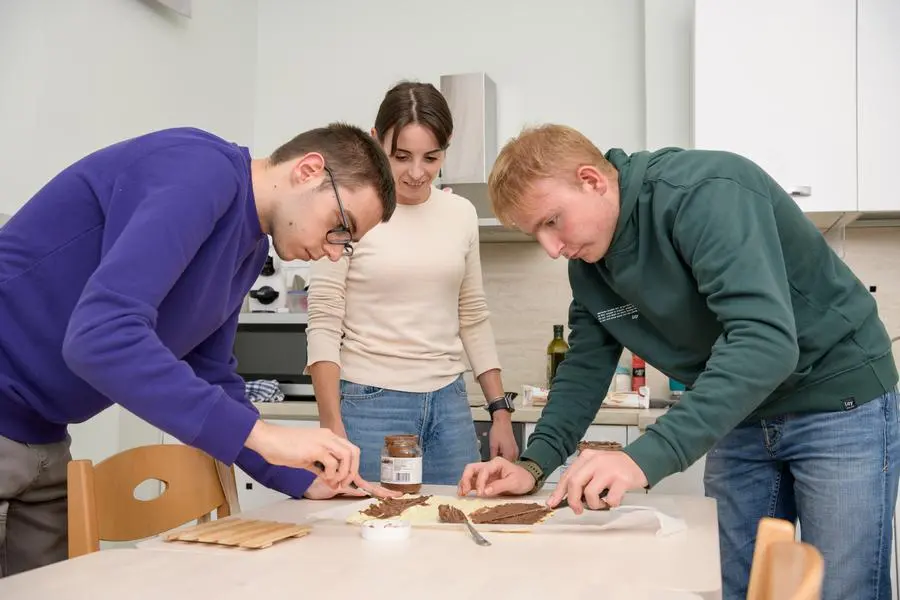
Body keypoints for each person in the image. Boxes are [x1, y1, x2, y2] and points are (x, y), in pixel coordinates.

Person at [457, 124, 899, 600]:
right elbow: (584, 370)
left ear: (592, 180)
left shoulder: (704, 193)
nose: (551, 248)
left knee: (841, 588)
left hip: (839, 404)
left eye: (552, 221)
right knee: (733, 583)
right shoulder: (589, 269)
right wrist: (533, 463)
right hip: (742, 416)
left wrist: (640, 459)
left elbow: (765, 341)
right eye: (534, 234)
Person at [0, 123, 399, 577]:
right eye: (339, 227)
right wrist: (266, 436)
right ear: (308, 171)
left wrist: (302, 478)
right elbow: (100, 336)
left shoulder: (248, 249)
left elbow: (211, 374)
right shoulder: (199, 170)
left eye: (346, 244)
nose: (334, 252)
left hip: (45, 436)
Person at [307, 82, 518, 486]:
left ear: (447, 146)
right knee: (370, 529)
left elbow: (472, 315)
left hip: (450, 405)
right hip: (369, 404)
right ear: (375, 141)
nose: (417, 173)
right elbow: (324, 320)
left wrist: (500, 412)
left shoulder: (460, 213)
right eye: (400, 157)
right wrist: (330, 422)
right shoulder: (347, 209)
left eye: (431, 157)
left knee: (457, 528)